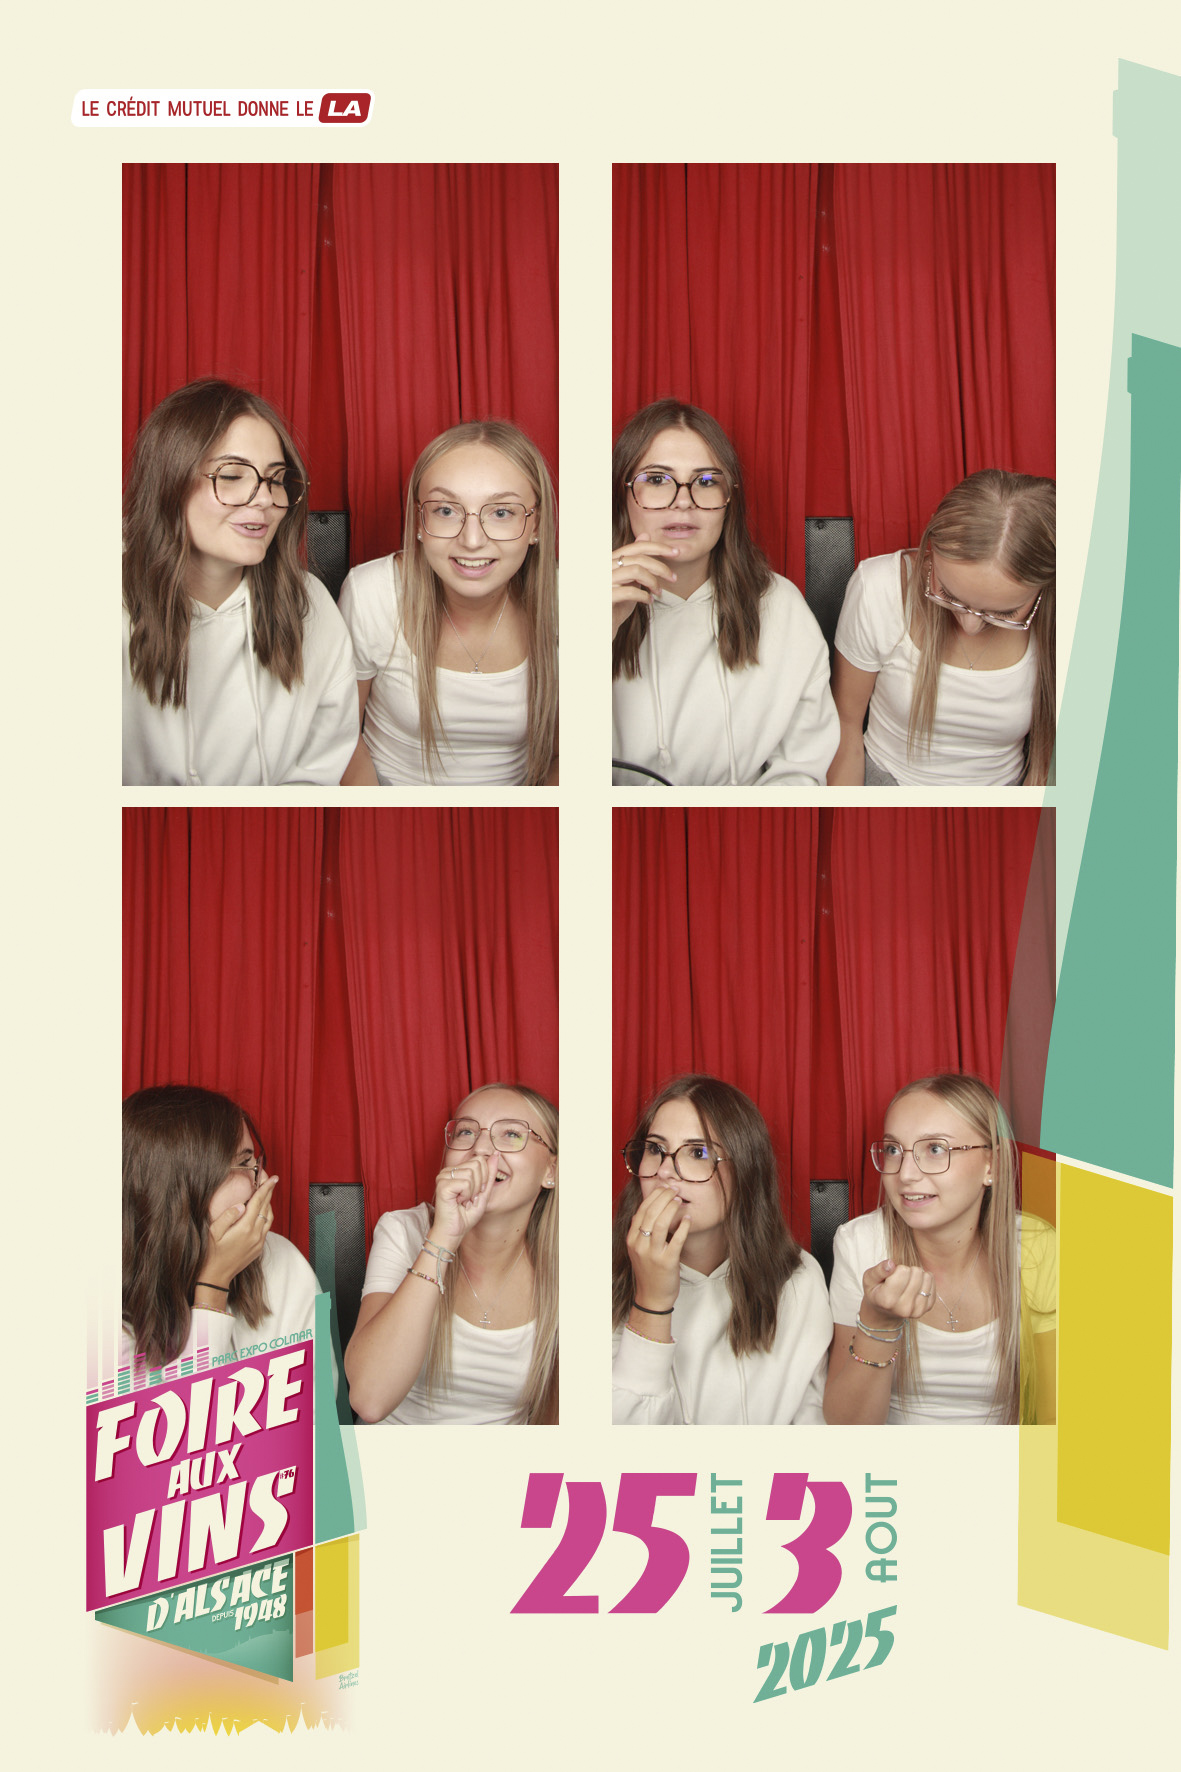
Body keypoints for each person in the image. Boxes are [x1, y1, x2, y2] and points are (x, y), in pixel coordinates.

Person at [123, 379, 359, 786]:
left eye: (275, 479)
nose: (264, 499)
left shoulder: (310, 604)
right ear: (168, 479)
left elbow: (324, 761)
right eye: (232, 475)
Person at [611, 400, 838, 786]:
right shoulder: (574, 599)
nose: (683, 501)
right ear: (624, 494)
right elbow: (548, 756)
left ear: (729, 500)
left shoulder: (780, 606)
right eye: (658, 479)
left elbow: (803, 765)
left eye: (705, 481)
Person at [823, 1073, 1056, 1425]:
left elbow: (1057, 1421)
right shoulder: (860, 1243)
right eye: (893, 1150)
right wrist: (878, 1324)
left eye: (935, 1149)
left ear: (991, 1166)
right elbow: (847, 1428)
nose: (905, 1174)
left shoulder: (1037, 1247)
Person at [339, 422, 558, 785]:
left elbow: (564, 757)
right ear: (419, 520)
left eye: (501, 512)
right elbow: (341, 735)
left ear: (535, 526)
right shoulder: (371, 593)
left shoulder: (565, 601)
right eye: (445, 510)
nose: (471, 540)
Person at [611, 1075, 831, 1424]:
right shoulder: (605, 1280)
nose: (665, 1171)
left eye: (698, 1152)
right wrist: (650, 1305)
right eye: (654, 1149)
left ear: (745, 1170)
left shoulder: (798, 1278)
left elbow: (812, 1418)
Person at [345, 1085, 558, 1424]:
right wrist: (444, 1236)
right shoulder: (403, 1231)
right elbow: (369, 1400)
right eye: (466, 1132)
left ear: (551, 1171)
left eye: (511, 1134)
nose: (481, 1149)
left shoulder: (563, 1264)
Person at [827, 470, 1055, 786]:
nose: (970, 625)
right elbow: (845, 724)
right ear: (932, 545)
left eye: (1004, 612)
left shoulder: (1065, 614)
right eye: (949, 594)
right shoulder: (878, 588)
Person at [121, 1084, 323, 1370]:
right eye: (243, 1163)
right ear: (179, 1188)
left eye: (253, 1160)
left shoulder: (283, 1261)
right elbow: (188, 1400)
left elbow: (313, 1396)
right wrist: (213, 1288)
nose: (263, 1178)